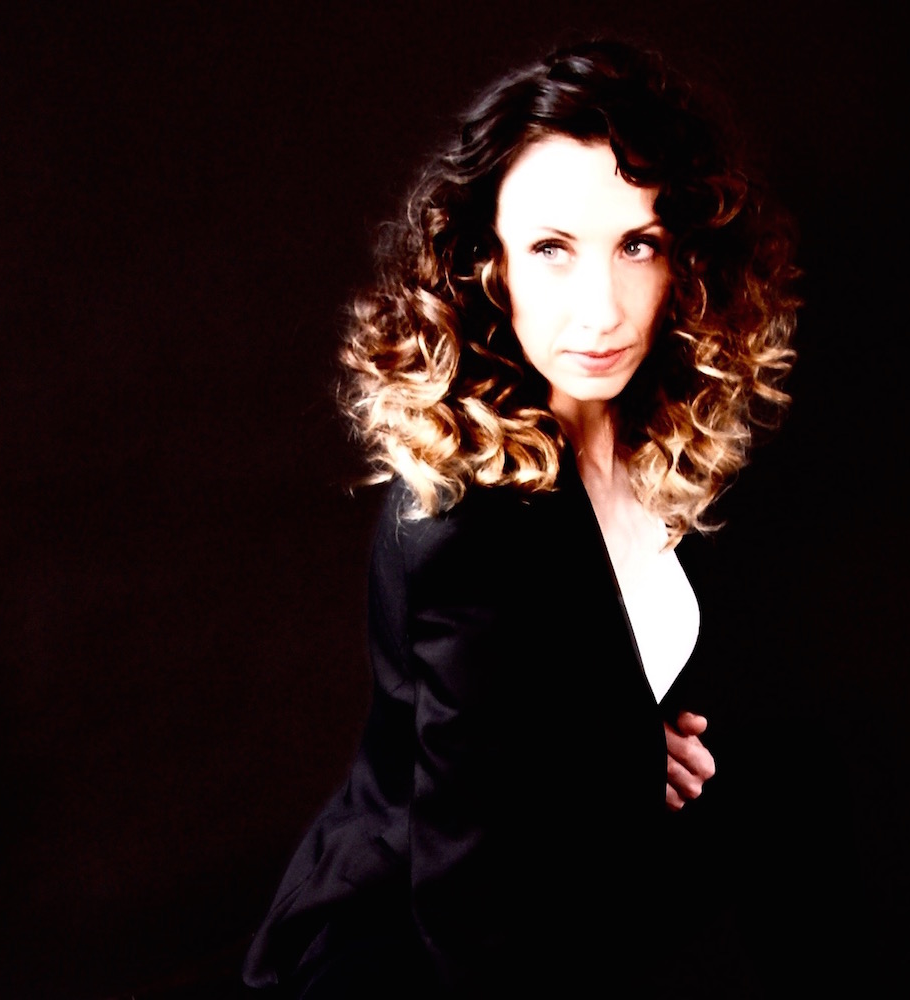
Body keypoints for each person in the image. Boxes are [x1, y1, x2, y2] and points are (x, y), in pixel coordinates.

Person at [242, 36, 799, 999]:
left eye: (637, 245)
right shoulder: (472, 526)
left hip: (570, 897)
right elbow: (471, 910)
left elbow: (560, 674)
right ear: (486, 264)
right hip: (410, 949)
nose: (602, 311)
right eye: (551, 249)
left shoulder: (631, 430)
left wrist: (623, 749)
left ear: (687, 259)